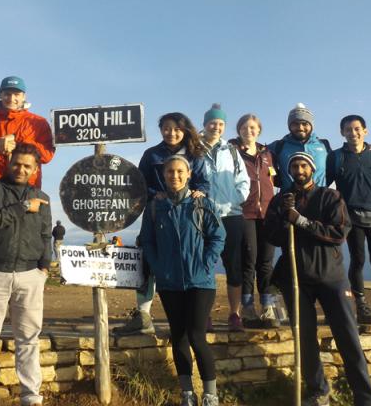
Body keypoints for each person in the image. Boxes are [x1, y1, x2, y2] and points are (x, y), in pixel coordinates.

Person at [266, 152, 371, 406]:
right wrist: (285, 219)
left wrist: (301, 221)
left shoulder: (330, 197)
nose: (299, 169)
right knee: (304, 339)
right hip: (296, 278)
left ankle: (365, 398)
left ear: (312, 169)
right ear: (289, 170)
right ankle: (318, 391)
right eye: (294, 165)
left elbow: (339, 231)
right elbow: (271, 236)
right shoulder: (281, 200)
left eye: (303, 165)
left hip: (331, 276)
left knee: (347, 336)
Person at [0, 144, 52, 406]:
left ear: (35, 169)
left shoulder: (43, 197)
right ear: (8, 162)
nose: (21, 169)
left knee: (28, 340)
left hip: (30, 275)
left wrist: (44, 267)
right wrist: (24, 206)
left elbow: (45, 234)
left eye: (28, 166)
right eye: (17, 163)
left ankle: (31, 397)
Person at [140, 154, 226, 406]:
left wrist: (207, 263)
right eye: (170, 172)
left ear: (189, 174)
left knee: (197, 336)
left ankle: (210, 396)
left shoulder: (202, 204)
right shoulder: (155, 206)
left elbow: (217, 236)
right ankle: (187, 393)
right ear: (164, 175)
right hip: (169, 282)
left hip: (201, 281)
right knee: (178, 336)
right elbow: (147, 240)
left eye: (180, 172)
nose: (175, 176)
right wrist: (158, 267)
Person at [114, 111, 210, 337]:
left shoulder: (196, 154)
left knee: (185, 261)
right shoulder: (151, 154)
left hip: (188, 218)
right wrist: (155, 194)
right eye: (167, 128)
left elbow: (205, 184)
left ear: (185, 130)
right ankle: (144, 316)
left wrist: (199, 193)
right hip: (157, 215)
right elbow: (138, 184)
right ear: (160, 130)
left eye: (176, 129)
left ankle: (190, 317)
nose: (171, 133)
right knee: (147, 261)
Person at [326, 115, 371, 325]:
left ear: (365, 130)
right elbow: (324, 182)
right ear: (342, 133)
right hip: (350, 217)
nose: (353, 133)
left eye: (357, 129)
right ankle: (362, 305)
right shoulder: (336, 157)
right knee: (357, 261)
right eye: (348, 129)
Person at [199, 104, 250, 331]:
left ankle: (234, 314)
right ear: (204, 124)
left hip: (231, 214)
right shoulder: (194, 149)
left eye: (221, 124)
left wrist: (235, 199)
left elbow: (243, 180)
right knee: (204, 266)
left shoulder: (230, 150)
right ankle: (204, 314)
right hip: (202, 215)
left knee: (234, 266)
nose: (216, 127)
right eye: (212, 123)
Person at [229, 113, 280, 328]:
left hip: (267, 214)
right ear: (238, 130)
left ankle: (268, 308)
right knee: (249, 261)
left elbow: (274, 178)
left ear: (259, 130)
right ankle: (248, 308)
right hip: (245, 212)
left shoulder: (267, 153)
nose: (248, 131)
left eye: (252, 128)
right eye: (244, 127)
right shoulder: (232, 152)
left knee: (266, 262)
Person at [268, 103, 330, 190]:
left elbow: (333, 172)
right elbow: (258, 157)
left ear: (311, 126)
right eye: (295, 124)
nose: (300, 128)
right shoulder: (279, 146)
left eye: (305, 124)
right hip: (288, 200)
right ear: (289, 126)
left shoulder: (324, 145)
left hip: (320, 200)